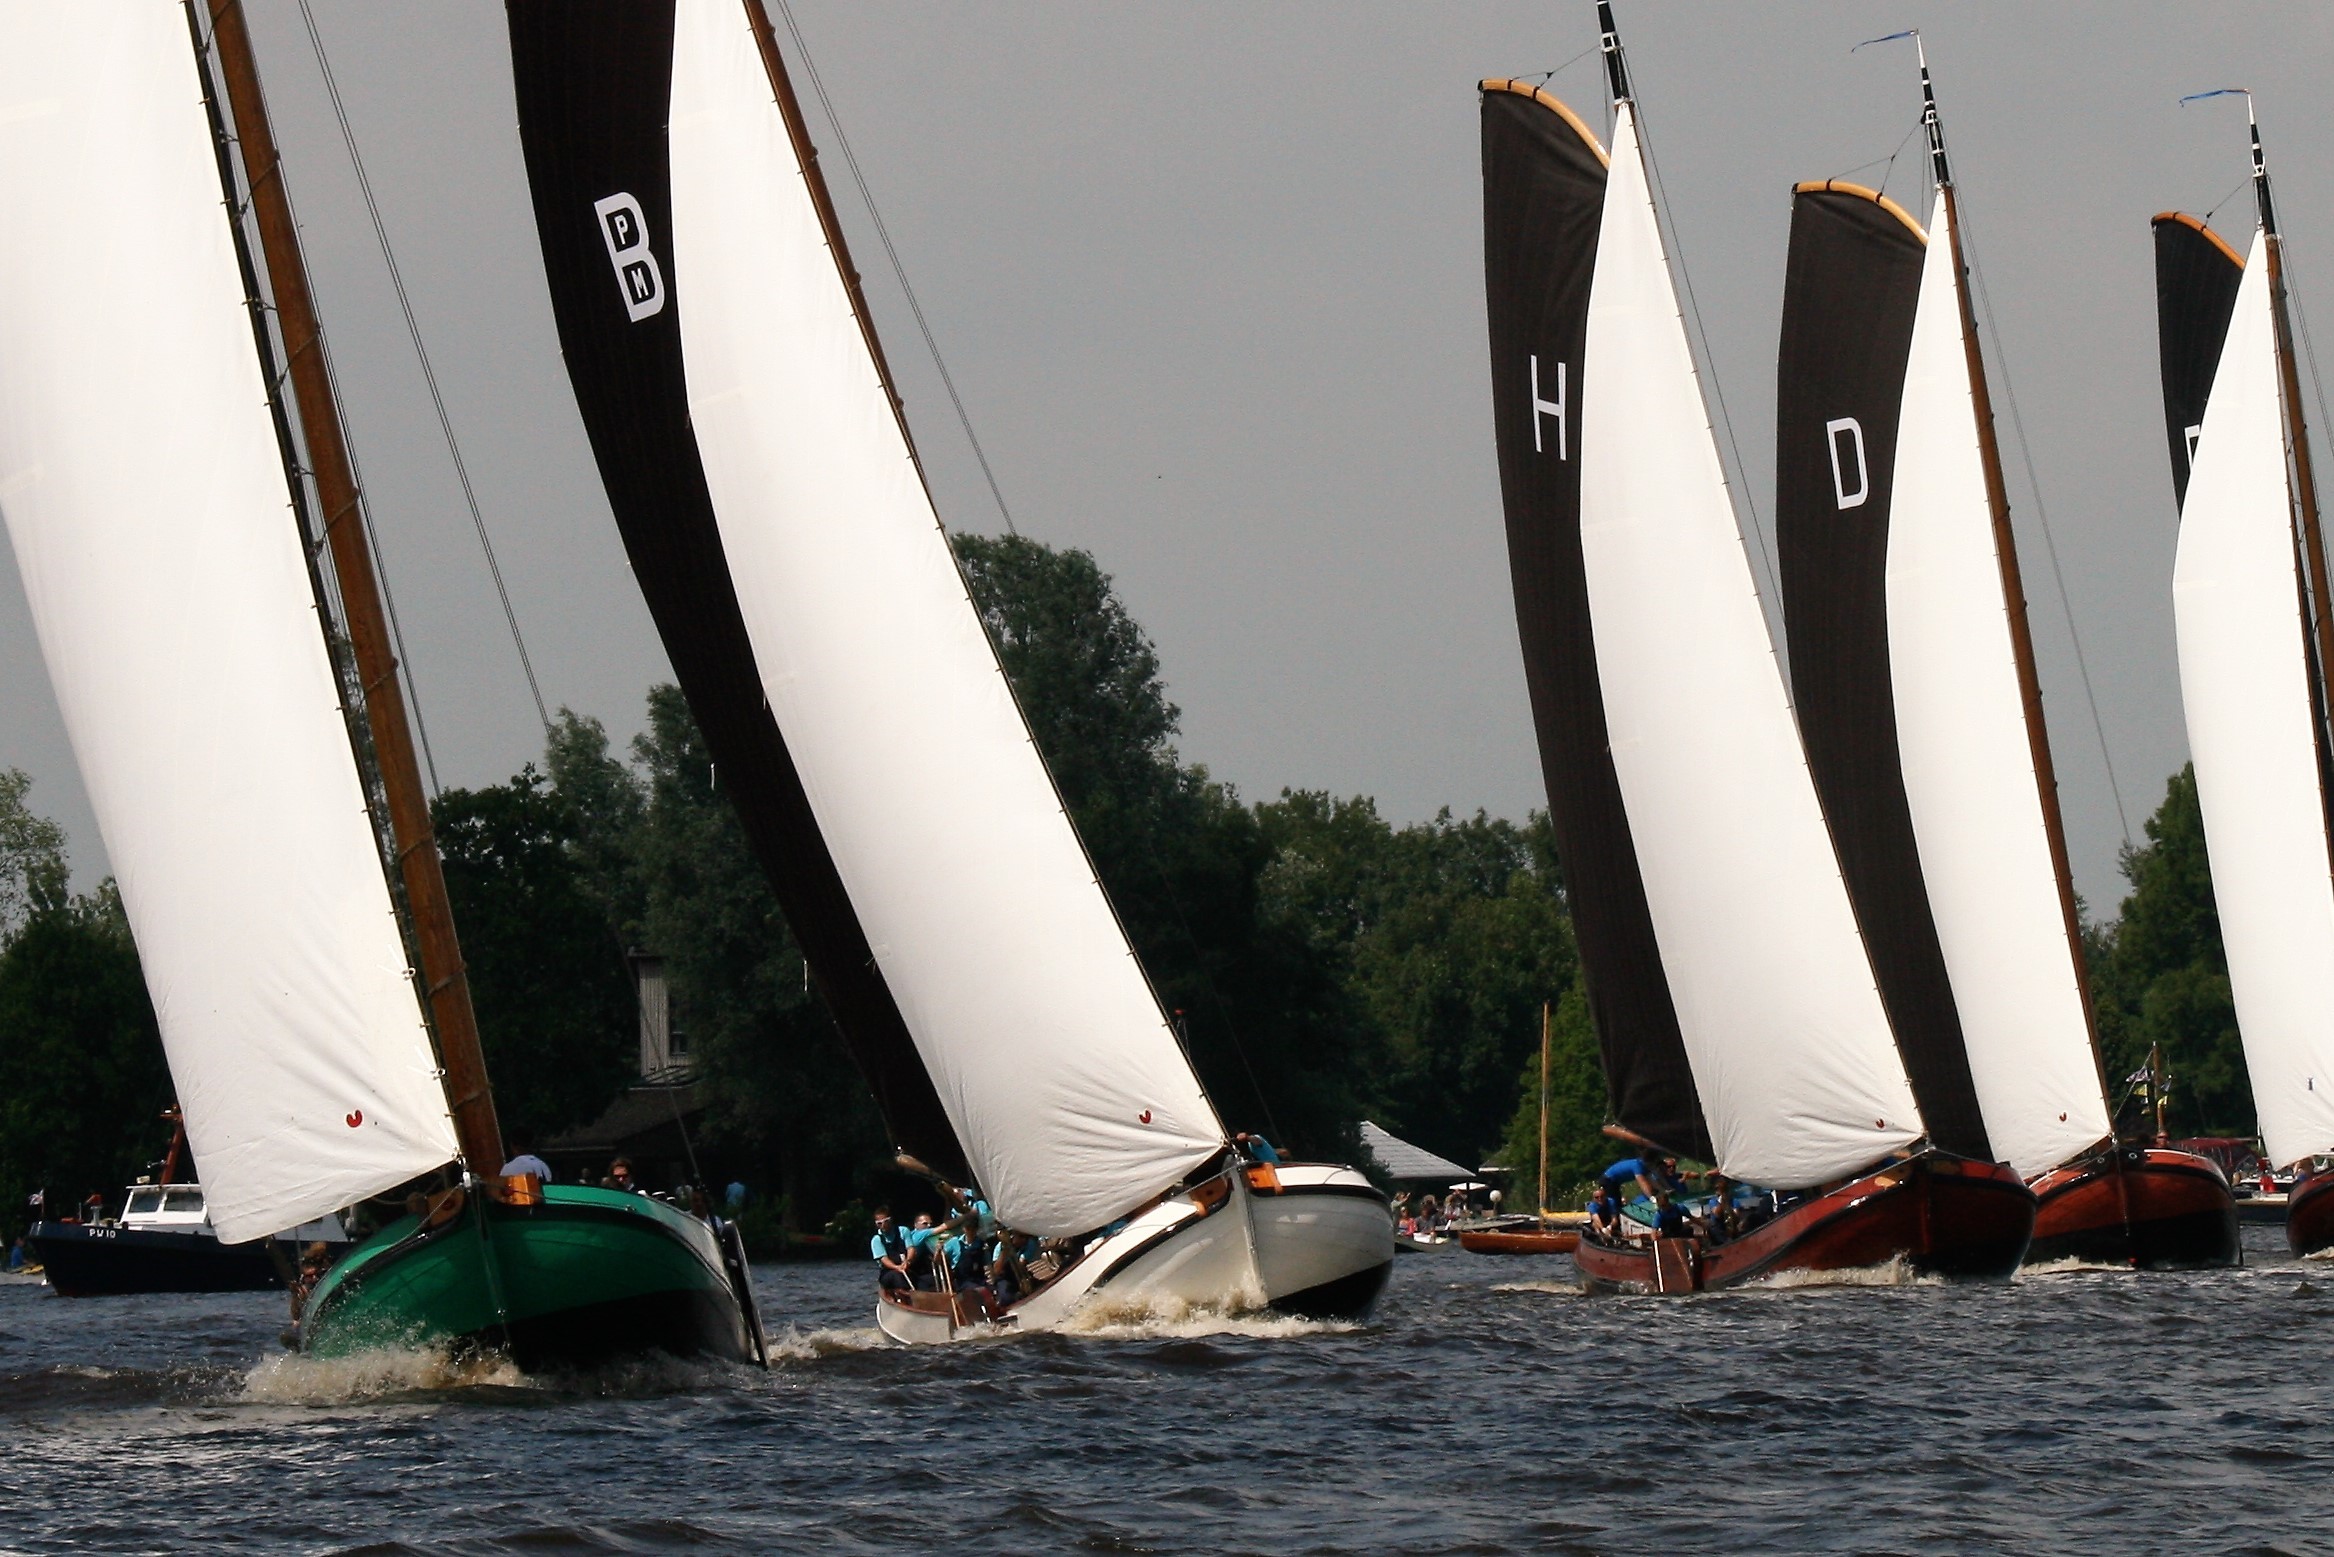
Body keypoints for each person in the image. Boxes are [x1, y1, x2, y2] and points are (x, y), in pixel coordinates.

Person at [870, 1207, 914, 1292]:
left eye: (885, 1222)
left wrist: (908, 1261)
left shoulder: (903, 1231)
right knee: (896, 1276)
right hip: (889, 1272)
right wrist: (897, 1267)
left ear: (891, 1220)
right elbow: (884, 1259)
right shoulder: (877, 1240)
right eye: (879, 1224)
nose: (883, 1226)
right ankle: (904, 1297)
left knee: (924, 1279)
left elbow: (910, 1248)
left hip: (906, 1266)